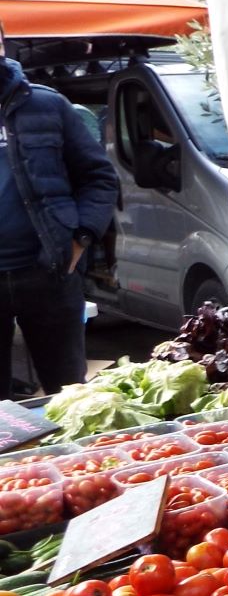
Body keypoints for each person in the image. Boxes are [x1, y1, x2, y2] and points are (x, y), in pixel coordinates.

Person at [0, 19, 119, 394]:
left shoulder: (47, 105)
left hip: (49, 271)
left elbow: (99, 177)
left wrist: (80, 237)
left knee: (67, 395)